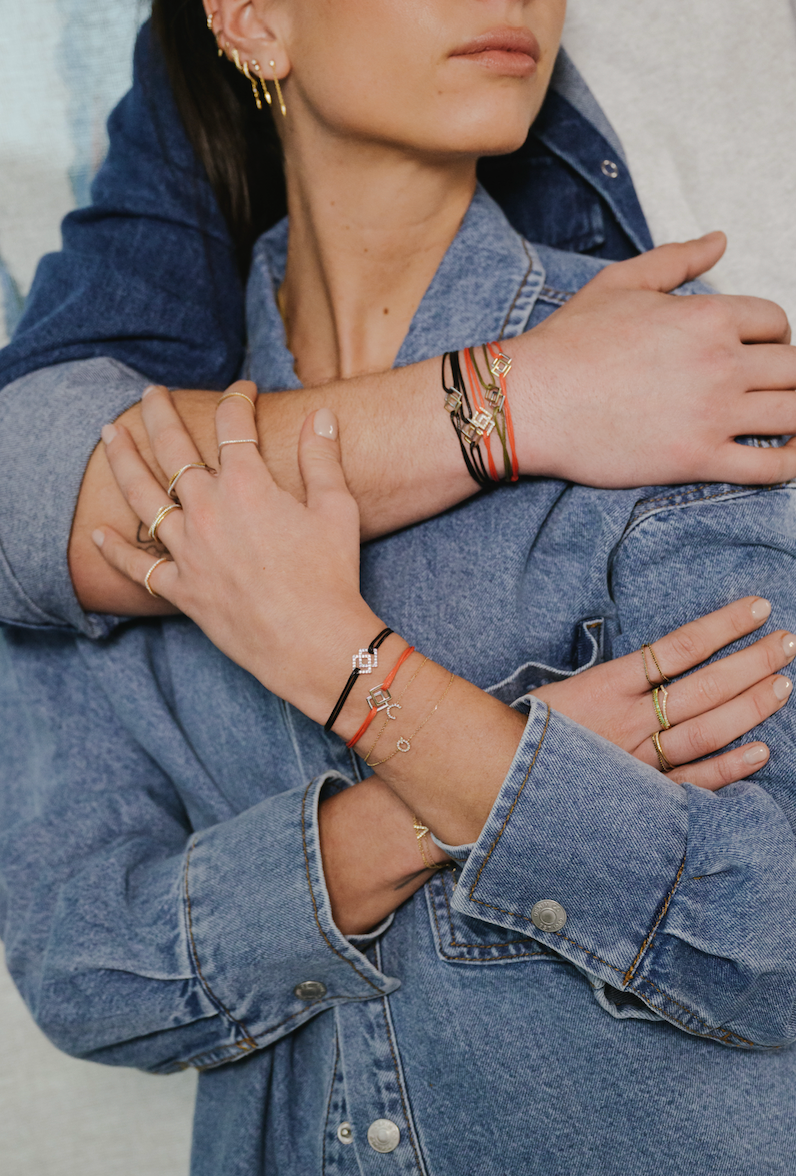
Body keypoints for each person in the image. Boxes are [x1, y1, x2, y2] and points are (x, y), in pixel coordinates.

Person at [2, 4, 796, 1176]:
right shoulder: (122, 477)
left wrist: (352, 674)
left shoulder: (671, 382)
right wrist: (436, 796)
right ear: (254, 21)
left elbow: (768, 941)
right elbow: (87, 974)